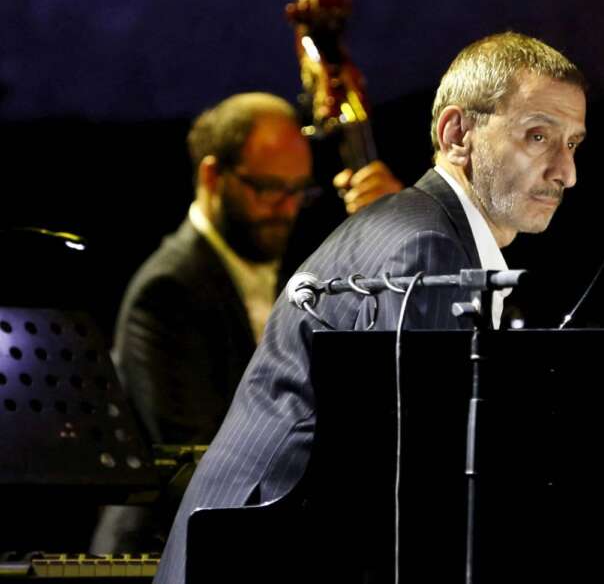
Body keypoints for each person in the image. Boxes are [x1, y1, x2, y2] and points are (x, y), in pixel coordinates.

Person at [152, 32, 586, 583]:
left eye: (573, 144)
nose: (565, 172)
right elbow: (414, 486)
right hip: (259, 561)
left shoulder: (421, 230)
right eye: (538, 136)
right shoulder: (427, 250)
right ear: (457, 134)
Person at [94, 93, 401, 552]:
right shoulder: (167, 291)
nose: (287, 209)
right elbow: (202, 465)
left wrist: (397, 227)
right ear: (211, 176)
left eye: (299, 191)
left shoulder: (295, 264)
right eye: (268, 188)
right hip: (164, 555)